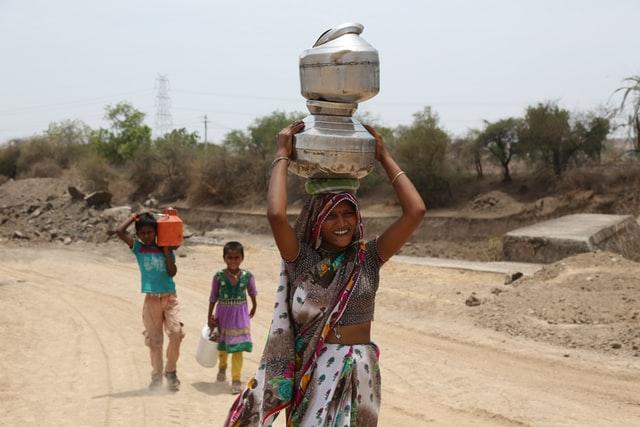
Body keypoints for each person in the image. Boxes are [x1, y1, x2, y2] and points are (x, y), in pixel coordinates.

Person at [225, 122, 426, 426]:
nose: (341, 222)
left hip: (361, 370)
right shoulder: (303, 262)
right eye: (331, 215)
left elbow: (416, 212)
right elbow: (276, 216)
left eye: (348, 213)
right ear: (316, 222)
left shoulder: (368, 257)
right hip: (316, 371)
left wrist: (384, 157)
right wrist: (282, 154)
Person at [116, 212, 184, 391]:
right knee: (155, 341)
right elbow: (119, 231)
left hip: (169, 297)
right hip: (151, 299)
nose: (146, 236)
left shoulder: (165, 247)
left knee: (176, 333)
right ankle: (156, 376)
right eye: (143, 233)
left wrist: (167, 250)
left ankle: (171, 371)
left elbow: (172, 272)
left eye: (150, 232)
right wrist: (133, 217)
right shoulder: (138, 248)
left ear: (156, 232)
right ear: (138, 235)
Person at [208, 241, 258, 395]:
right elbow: (213, 298)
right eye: (230, 258)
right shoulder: (218, 277)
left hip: (240, 315)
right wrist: (209, 316)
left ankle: (236, 379)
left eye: (236, 258)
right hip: (223, 315)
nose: (233, 261)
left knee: (238, 347)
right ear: (224, 258)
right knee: (223, 346)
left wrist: (254, 306)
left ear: (242, 258)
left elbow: (252, 293)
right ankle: (222, 368)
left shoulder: (247, 276)